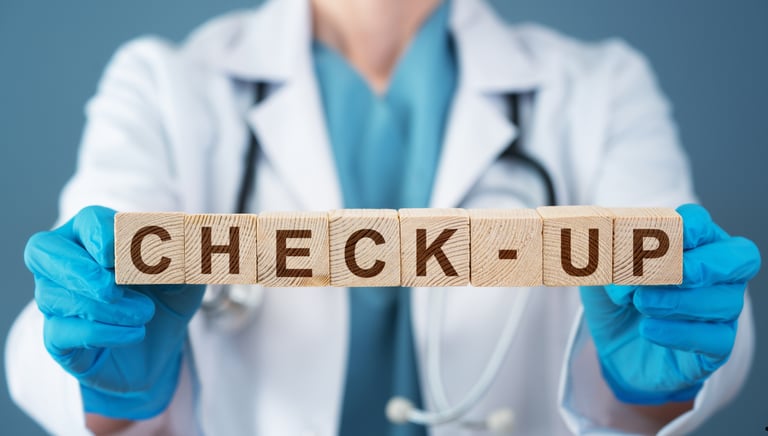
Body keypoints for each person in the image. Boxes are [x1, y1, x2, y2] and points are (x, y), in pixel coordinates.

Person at [7, 0, 761, 434]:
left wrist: (648, 377)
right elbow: (72, 300)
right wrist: (110, 386)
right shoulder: (166, 83)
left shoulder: (600, 85)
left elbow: (677, 276)